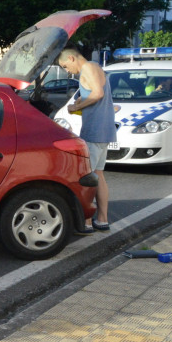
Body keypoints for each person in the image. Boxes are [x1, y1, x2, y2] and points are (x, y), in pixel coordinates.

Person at [59, 48, 116, 233]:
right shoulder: (95, 67)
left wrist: (79, 104)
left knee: (88, 177)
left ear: (71, 57)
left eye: (66, 66)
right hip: (104, 131)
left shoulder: (88, 68)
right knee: (98, 175)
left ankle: (87, 222)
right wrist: (79, 107)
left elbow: (97, 94)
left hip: (94, 131)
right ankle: (102, 220)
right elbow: (99, 98)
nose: (68, 71)